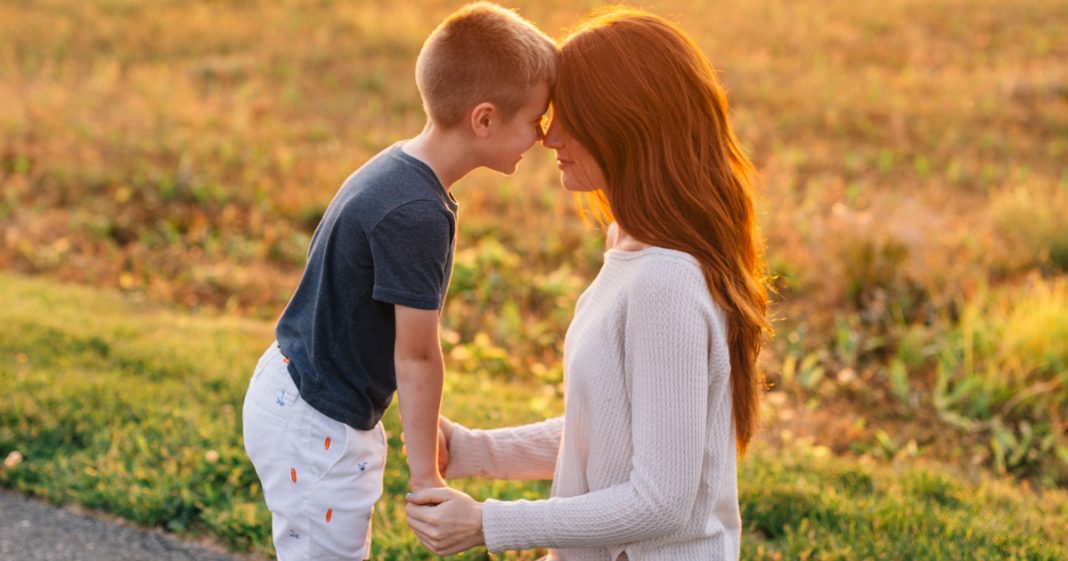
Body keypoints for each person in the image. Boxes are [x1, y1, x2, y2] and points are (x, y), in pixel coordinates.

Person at [405, 7, 772, 561]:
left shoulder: (665, 282)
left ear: (625, 122)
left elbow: (660, 503)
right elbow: (611, 435)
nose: (548, 137)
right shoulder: (631, 245)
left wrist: (489, 523)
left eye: (568, 116)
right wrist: (473, 451)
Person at [241, 3, 556, 559]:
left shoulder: (399, 169)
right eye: (536, 120)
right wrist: (427, 478)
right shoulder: (417, 213)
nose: (542, 136)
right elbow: (416, 357)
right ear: (483, 120)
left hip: (301, 392)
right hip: (319, 427)